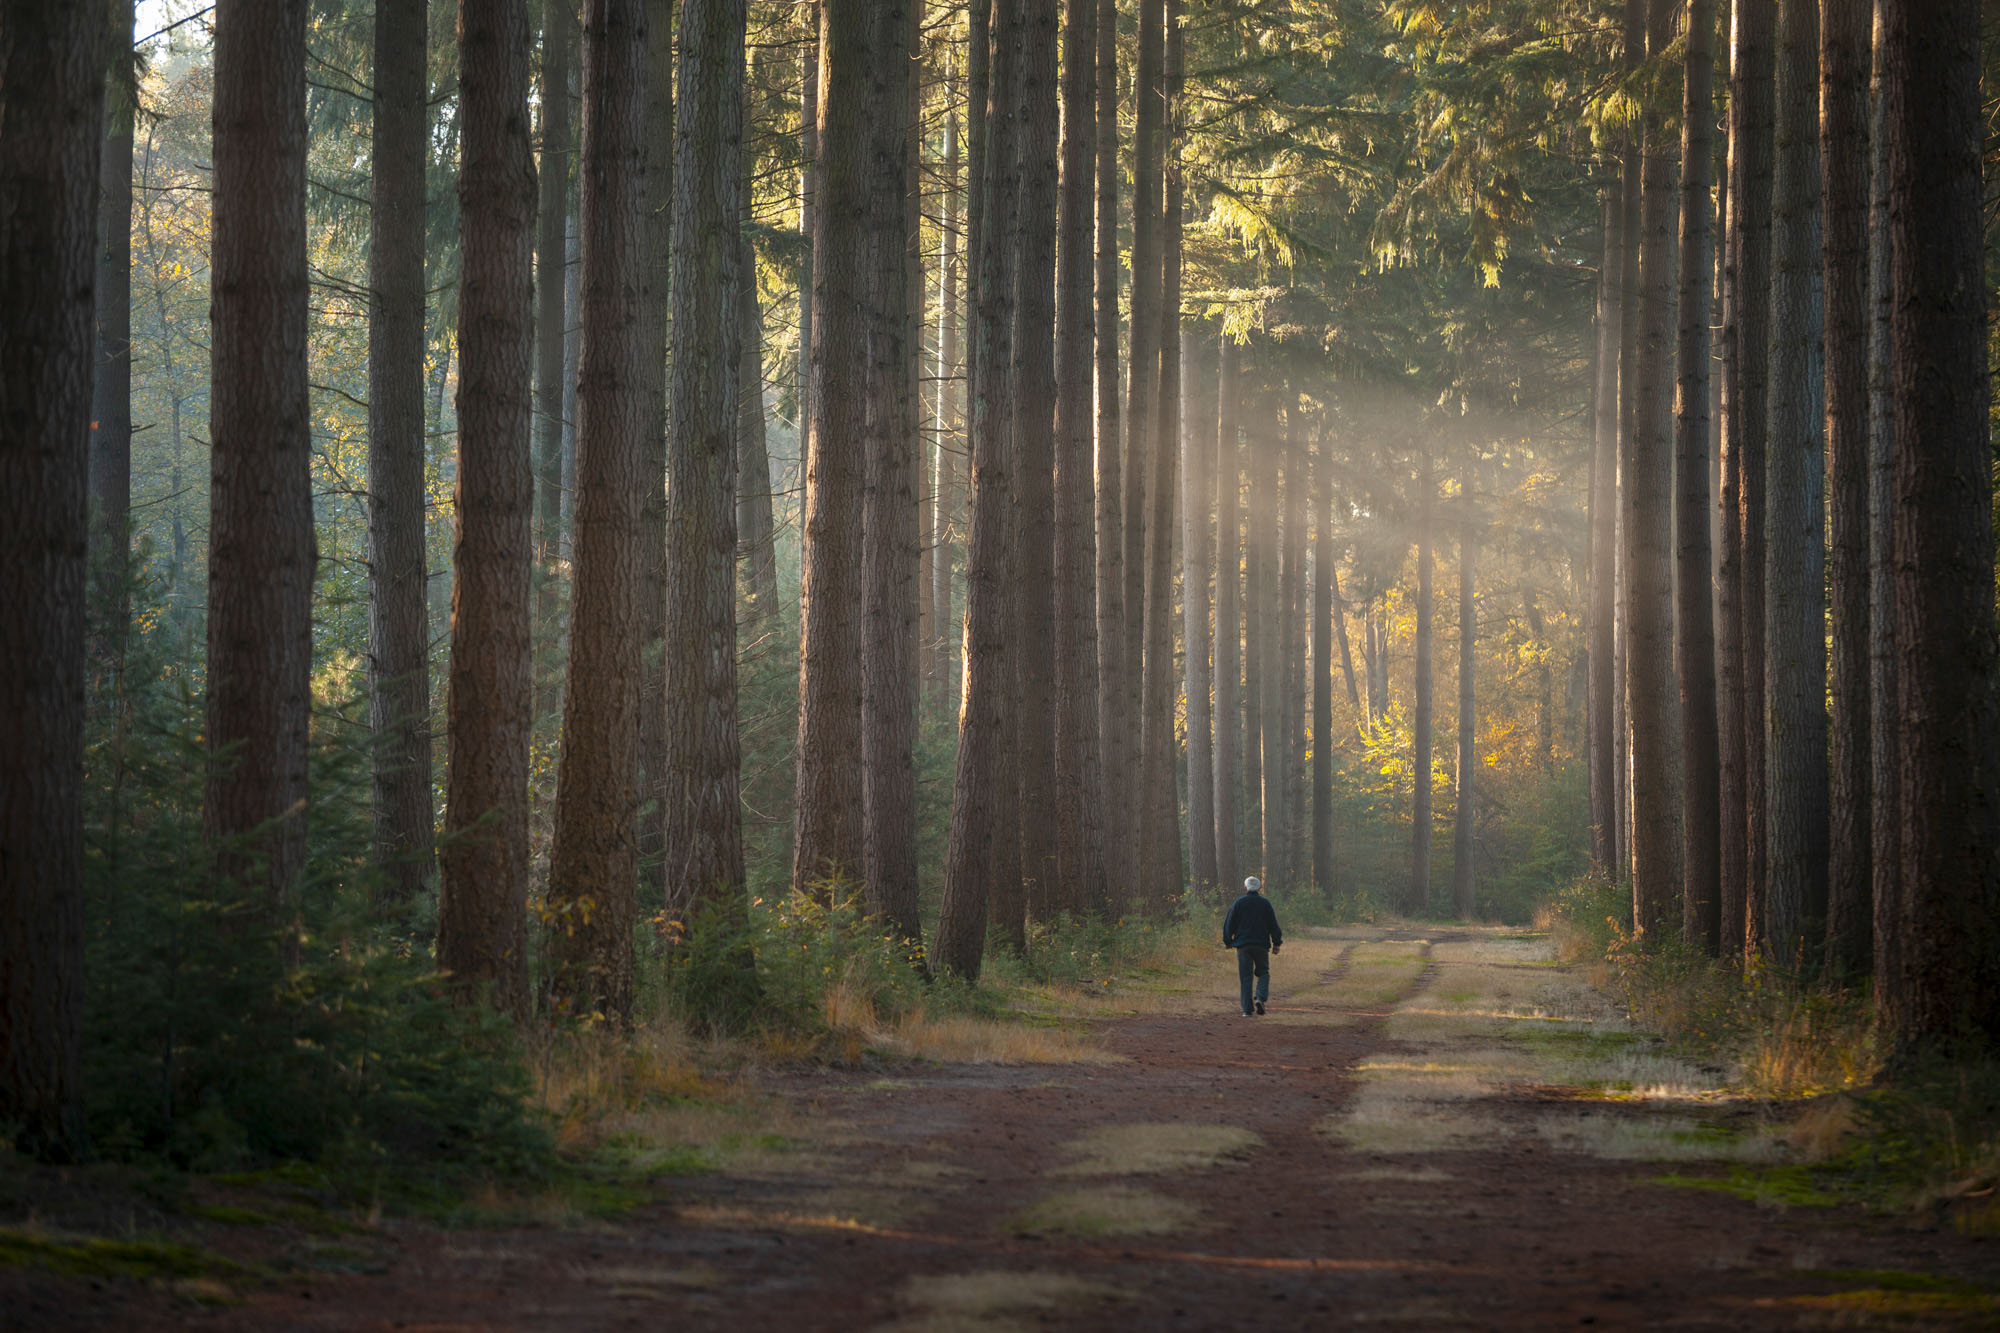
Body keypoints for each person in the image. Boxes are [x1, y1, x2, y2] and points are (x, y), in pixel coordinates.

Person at [1221, 876, 1283, 1016]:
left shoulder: (1238, 903)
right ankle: (1260, 998)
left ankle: (1247, 1010)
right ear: (1259, 888)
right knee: (1263, 972)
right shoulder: (1265, 904)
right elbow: (1273, 925)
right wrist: (1276, 943)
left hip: (1243, 946)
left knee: (1246, 977)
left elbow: (1229, 923)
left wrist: (1228, 941)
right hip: (1261, 945)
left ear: (1245, 887)